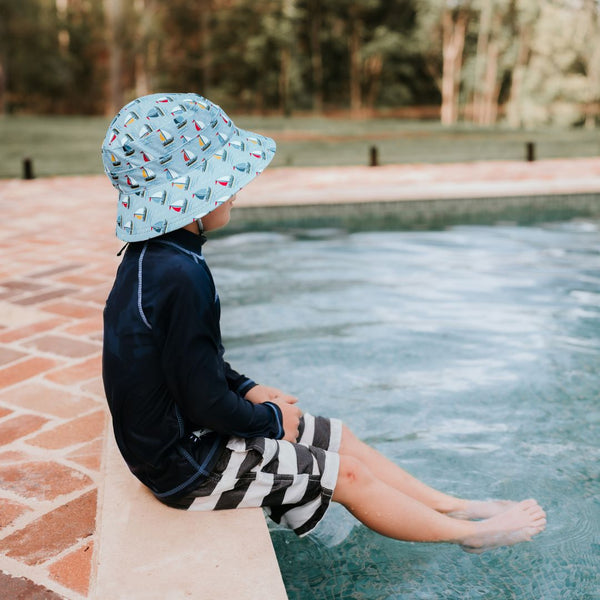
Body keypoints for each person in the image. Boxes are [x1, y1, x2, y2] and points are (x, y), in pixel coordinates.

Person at [101, 92, 546, 553]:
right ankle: (471, 535)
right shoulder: (181, 276)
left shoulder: (157, 260)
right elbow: (202, 401)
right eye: (224, 180)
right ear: (191, 196)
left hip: (179, 442)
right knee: (346, 475)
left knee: (340, 438)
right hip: (186, 465)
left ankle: (454, 506)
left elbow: (189, 364)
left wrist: (249, 390)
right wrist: (271, 420)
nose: (236, 189)